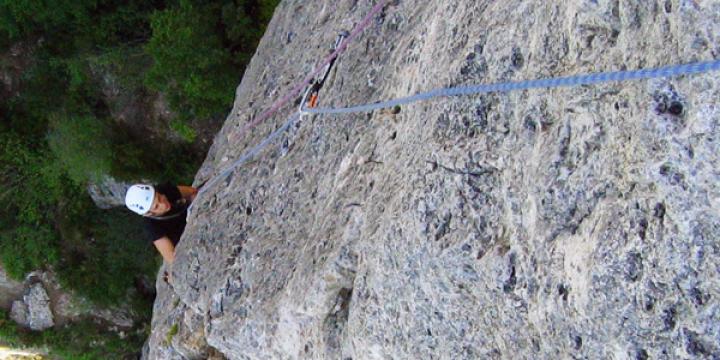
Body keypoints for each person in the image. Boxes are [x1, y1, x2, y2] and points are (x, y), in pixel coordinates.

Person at [124, 183, 198, 283]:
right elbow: (171, 256)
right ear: (148, 214)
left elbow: (192, 192)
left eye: (159, 197)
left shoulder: (165, 189)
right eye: (156, 207)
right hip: (182, 239)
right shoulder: (152, 227)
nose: (163, 204)